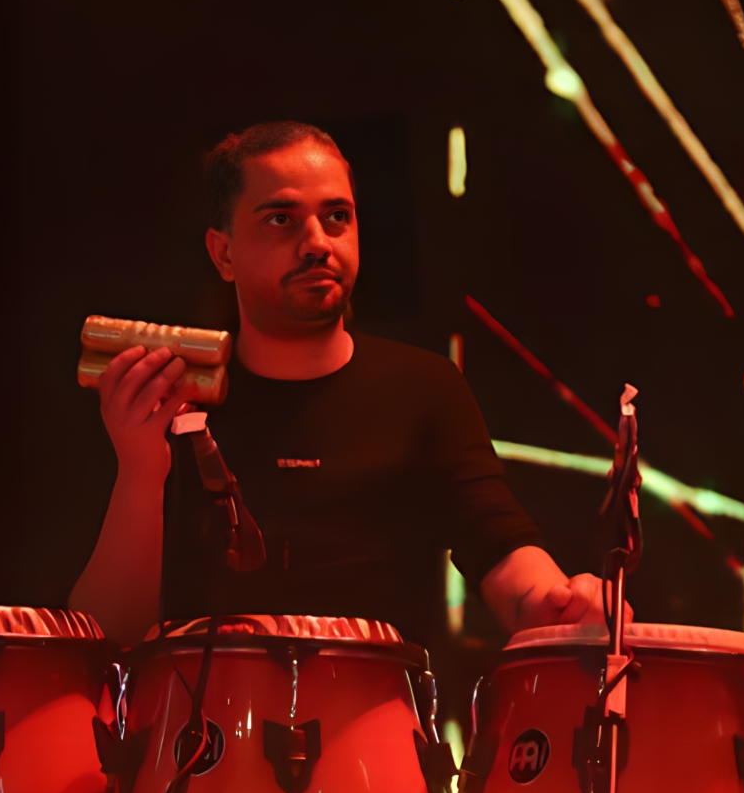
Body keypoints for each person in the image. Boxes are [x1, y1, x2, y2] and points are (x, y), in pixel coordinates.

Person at [69, 119, 613, 646]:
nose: (317, 243)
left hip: (384, 705)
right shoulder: (162, 399)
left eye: (336, 217)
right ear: (223, 252)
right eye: (281, 219)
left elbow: (500, 547)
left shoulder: (423, 388)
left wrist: (561, 604)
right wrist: (141, 468)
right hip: (201, 709)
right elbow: (104, 638)